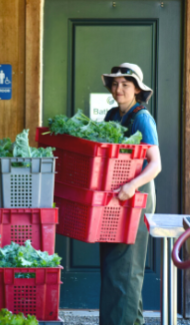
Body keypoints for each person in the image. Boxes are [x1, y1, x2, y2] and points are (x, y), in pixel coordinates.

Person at [99, 63, 162, 325]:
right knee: (114, 266)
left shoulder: (142, 118)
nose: (118, 89)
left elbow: (156, 164)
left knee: (126, 268)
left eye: (125, 84)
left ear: (137, 89)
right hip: (116, 196)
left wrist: (132, 186)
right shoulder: (112, 115)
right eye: (115, 84)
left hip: (136, 197)